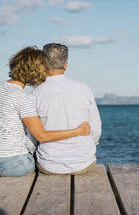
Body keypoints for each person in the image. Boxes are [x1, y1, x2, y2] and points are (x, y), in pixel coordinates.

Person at [0, 47, 90, 177]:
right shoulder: (23, 98)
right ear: (36, 71)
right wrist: (78, 131)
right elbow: (41, 136)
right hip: (14, 164)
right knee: (41, 159)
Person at [32, 43, 101, 175]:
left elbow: (32, 137)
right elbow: (95, 128)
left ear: (43, 64)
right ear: (66, 65)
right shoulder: (84, 89)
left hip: (49, 165)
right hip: (84, 163)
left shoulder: (36, 93)